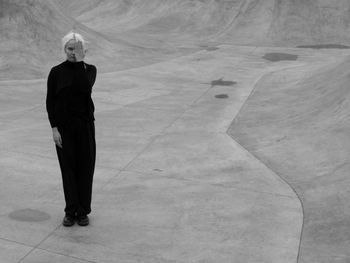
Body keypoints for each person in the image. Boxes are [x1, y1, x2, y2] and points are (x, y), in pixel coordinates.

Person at [46, 31, 97, 227]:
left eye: (76, 49)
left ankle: (83, 211)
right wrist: (54, 128)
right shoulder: (56, 72)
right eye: (69, 48)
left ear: (83, 50)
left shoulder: (90, 70)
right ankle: (70, 210)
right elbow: (50, 101)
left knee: (85, 168)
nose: (72, 52)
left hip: (85, 127)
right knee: (68, 170)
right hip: (64, 130)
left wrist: (79, 64)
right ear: (64, 49)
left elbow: (85, 88)